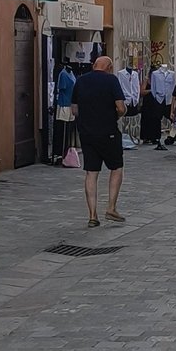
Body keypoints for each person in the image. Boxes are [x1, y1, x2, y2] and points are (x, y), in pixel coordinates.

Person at [72, 53, 126, 227]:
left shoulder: (80, 81)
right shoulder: (111, 80)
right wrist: (116, 114)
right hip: (108, 131)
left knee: (91, 172)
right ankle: (111, 207)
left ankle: (92, 215)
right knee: (116, 168)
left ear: (94, 65)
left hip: (87, 133)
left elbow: (74, 110)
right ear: (109, 68)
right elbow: (120, 107)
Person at [52, 56, 77, 164]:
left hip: (70, 103)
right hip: (64, 104)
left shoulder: (71, 73)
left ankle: (67, 153)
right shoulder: (63, 74)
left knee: (69, 129)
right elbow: (60, 88)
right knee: (62, 128)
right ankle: (60, 154)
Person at [150, 54, 176, 148]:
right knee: (157, 119)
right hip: (159, 98)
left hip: (168, 99)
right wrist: (156, 97)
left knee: (172, 118)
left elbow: (173, 86)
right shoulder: (155, 74)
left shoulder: (172, 74)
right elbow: (153, 87)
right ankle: (156, 137)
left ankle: (175, 135)